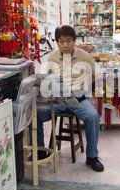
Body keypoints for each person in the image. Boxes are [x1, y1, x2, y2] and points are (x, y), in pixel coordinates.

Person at [36, 25, 104, 172]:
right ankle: (40, 151)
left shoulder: (83, 55)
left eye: (69, 41)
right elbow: (46, 78)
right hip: (58, 100)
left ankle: (92, 156)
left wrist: (85, 82)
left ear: (74, 41)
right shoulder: (53, 56)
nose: (65, 45)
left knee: (92, 117)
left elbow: (96, 72)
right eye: (61, 41)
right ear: (57, 42)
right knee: (36, 114)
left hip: (78, 98)